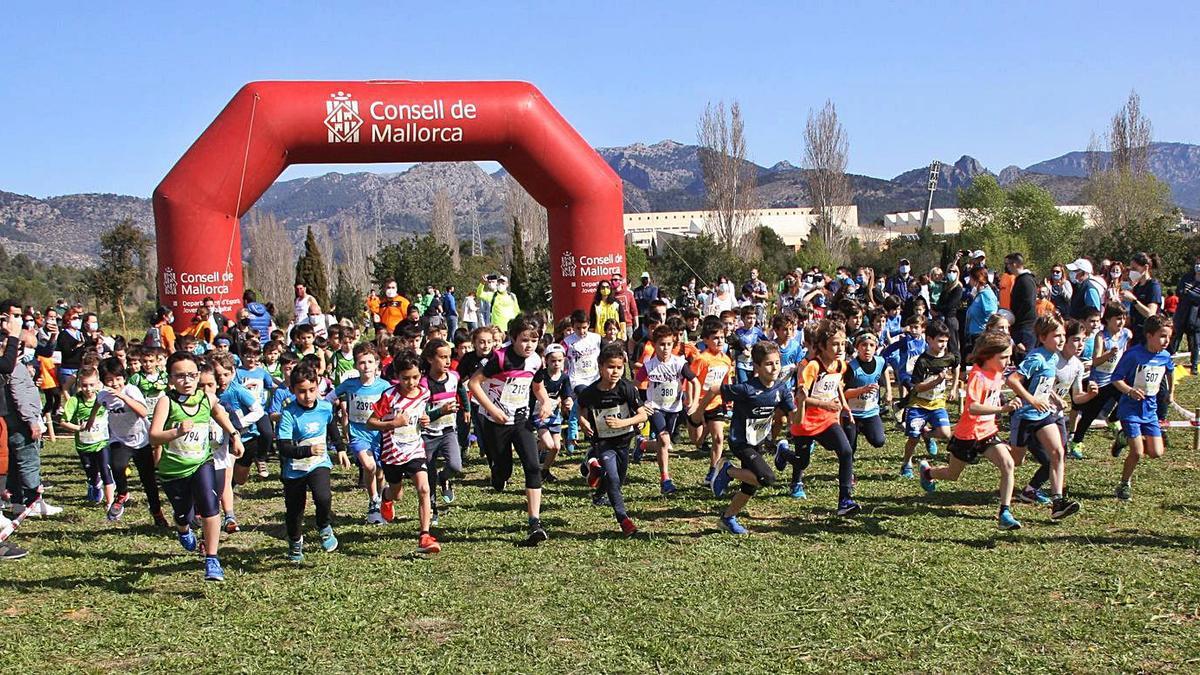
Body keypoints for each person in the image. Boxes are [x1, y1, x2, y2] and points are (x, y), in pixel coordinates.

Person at [149, 352, 244, 582]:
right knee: (184, 515)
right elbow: (153, 437)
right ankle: (182, 528)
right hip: (173, 471)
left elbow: (219, 413)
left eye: (192, 375)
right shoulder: (166, 401)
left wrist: (234, 435)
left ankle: (212, 559)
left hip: (202, 463)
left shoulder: (206, 398)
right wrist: (176, 432)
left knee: (211, 507)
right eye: (180, 376)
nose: (187, 380)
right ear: (170, 378)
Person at [918, 331, 1024, 530]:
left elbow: (992, 396)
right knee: (952, 474)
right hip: (967, 435)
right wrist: (1003, 409)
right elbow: (973, 407)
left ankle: (1005, 512)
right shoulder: (977, 376)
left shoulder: (998, 372)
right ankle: (928, 473)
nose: (1007, 361)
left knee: (1008, 464)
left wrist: (1007, 402)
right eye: (1003, 357)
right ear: (987, 356)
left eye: (1009, 356)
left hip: (988, 432)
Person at [467, 315, 554, 546]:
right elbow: (473, 384)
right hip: (495, 422)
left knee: (533, 467)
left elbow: (537, 386)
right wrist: (492, 411)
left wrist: (544, 402)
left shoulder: (536, 360)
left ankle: (534, 522)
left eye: (533, 341)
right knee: (503, 471)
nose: (529, 346)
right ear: (513, 338)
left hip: (521, 420)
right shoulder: (499, 358)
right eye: (524, 340)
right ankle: (498, 476)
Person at [702, 340, 797, 534]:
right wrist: (697, 413)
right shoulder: (746, 389)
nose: (774, 368)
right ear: (757, 367)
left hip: (757, 442)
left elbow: (794, 419)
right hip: (740, 442)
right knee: (767, 478)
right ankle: (728, 470)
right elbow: (714, 389)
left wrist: (802, 405)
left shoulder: (781, 389)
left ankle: (727, 519)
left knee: (750, 485)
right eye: (769, 364)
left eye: (777, 363)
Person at [1006, 315, 1080, 520]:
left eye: (1063, 335)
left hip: (1043, 415)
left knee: (1058, 452)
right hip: (1024, 417)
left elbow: (1044, 385)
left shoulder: (1054, 356)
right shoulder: (1036, 358)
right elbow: (1012, 380)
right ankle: (989, 447)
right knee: (1014, 460)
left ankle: (1057, 502)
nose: (1062, 340)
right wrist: (1032, 400)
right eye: (1057, 336)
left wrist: (1053, 397)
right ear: (1042, 337)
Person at [578, 344, 650, 536]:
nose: (615, 371)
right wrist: (583, 422)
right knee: (613, 477)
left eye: (619, 367)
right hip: (603, 442)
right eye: (610, 367)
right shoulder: (590, 392)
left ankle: (592, 469)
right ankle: (623, 519)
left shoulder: (627, 388)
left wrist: (624, 422)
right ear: (600, 366)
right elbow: (582, 410)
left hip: (624, 441)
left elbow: (642, 415)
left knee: (618, 480)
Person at [276, 363, 339, 560]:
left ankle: (324, 526)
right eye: (301, 392)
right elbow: (284, 447)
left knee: (323, 497)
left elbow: (332, 426)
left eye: (312, 390)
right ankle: (295, 543)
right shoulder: (288, 414)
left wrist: (342, 448)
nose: (308, 396)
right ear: (293, 390)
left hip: (319, 463)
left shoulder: (325, 407)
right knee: (295, 510)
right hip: (294, 469)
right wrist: (307, 450)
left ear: (317, 385)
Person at [1110, 314, 1174, 502]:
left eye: (1169, 336)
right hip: (1130, 409)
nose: (1166, 341)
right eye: (1162, 336)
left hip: (1150, 410)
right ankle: (1124, 484)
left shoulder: (1165, 355)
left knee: (1156, 453)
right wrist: (1130, 391)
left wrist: (1170, 393)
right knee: (1137, 452)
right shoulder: (1134, 355)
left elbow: (1170, 371)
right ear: (1149, 335)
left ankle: (1124, 438)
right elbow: (1116, 379)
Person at [634, 325, 699, 496]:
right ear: (654, 345)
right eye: (662, 344)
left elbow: (695, 382)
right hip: (655, 408)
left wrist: (693, 402)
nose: (665, 348)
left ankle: (642, 444)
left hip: (674, 408)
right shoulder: (649, 366)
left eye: (669, 344)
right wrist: (641, 404)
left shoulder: (679, 363)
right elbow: (634, 386)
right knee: (664, 440)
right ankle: (665, 480)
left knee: (665, 442)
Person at [899, 320, 958, 477]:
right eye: (939, 341)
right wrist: (936, 381)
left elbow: (956, 366)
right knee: (913, 438)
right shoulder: (922, 361)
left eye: (946, 341)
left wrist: (954, 387)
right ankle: (906, 464)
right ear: (929, 339)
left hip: (937, 403)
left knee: (945, 433)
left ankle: (927, 435)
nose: (943, 345)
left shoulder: (949, 357)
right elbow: (917, 387)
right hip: (918, 404)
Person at [419, 339, 465, 525]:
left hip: (448, 431)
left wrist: (467, 409)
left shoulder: (453, 376)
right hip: (428, 434)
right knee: (428, 475)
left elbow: (461, 389)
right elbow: (421, 414)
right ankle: (432, 508)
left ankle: (444, 478)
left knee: (456, 466)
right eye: (442, 357)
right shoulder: (423, 383)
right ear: (430, 359)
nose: (447, 361)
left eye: (449, 357)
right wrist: (440, 411)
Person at [1122, 252, 1163, 346]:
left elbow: (1150, 314)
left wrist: (1133, 300)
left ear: (1145, 267)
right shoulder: (1137, 287)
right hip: (1135, 333)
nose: (1132, 272)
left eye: (1135, 269)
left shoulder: (1153, 286)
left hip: (1147, 335)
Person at [1170, 255, 1200, 374]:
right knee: (1175, 339)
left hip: (1196, 318)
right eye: (1197, 263)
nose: (1198, 266)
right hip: (1181, 314)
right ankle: (1169, 360)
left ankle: (1194, 366)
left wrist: (1189, 294)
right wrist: (1191, 296)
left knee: (1195, 343)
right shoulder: (1187, 277)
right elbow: (1180, 292)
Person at [1005, 253, 1038, 354]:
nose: (1007, 267)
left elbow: (1028, 304)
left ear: (1014, 264)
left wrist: (1015, 318)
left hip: (1025, 328)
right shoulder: (1020, 280)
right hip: (1021, 327)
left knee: (1025, 357)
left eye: (1008, 264)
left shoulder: (1025, 280)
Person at [964, 267, 998, 354]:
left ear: (976, 279)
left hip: (982, 336)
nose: (969, 281)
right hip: (975, 335)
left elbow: (992, 316)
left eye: (971, 278)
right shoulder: (979, 294)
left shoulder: (986, 294)